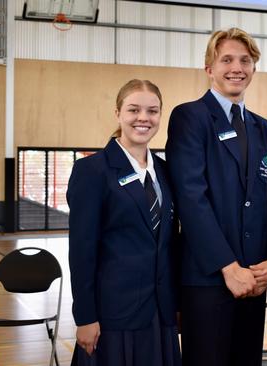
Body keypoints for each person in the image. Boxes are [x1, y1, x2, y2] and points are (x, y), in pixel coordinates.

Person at [165, 27, 267, 366]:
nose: (237, 68)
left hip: (254, 278)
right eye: (227, 60)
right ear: (209, 69)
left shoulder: (264, 128)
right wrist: (228, 267)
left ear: (254, 69)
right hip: (208, 278)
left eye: (245, 61)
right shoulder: (190, 117)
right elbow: (191, 199)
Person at [67, 79, 181, 366]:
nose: (143, 118)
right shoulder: (92, 171)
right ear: (118, 113)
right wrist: (85, 317)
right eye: (134, 110)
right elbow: (82, 252)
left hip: (160, 312)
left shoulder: (166, 172)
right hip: (114, 315)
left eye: (152, 111)